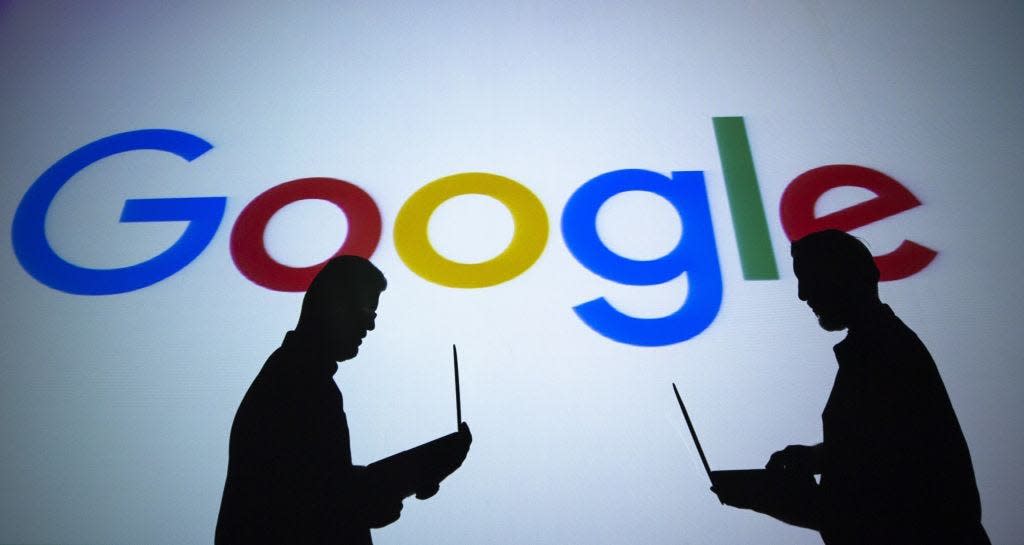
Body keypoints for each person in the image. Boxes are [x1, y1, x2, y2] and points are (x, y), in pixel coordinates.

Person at [713, 229, 989, 544]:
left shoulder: (882, 357)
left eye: (812, 278)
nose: (803, 294)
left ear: (848, 277)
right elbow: (884, 453)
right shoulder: (886, 347)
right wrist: (818, 457)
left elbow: (881, 504)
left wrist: (770, 499)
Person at [215, 255, 471, 545]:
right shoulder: (300, 384)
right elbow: (320, 504)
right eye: (366, 309)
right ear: (333, 304)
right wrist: (412, 473)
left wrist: (404, 479)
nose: (371, 324)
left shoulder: (292, 375)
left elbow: (318, 487)